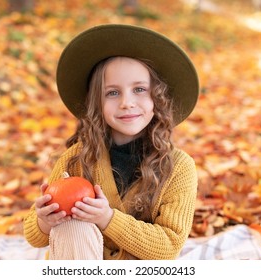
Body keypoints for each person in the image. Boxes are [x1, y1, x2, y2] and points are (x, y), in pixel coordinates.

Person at [23, 24, 199, 260]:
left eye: (139, 89)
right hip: (80, 257)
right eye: (112, 93)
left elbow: (169, 245)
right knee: (72, 225)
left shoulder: (178, 168)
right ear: (97, 103)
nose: (127, 102)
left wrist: (107, 218)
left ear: (157, 98)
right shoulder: (76, 159)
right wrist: (44, 221)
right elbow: (34, 237)